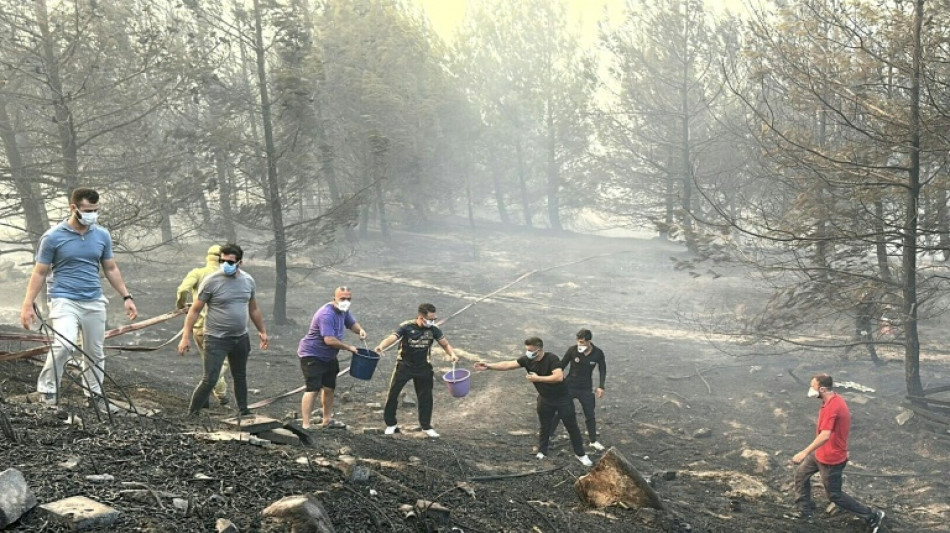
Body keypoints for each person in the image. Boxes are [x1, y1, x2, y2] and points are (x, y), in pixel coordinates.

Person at [20, 187, 138, 411]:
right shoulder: (53, 237)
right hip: (64, 299)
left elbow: (111, 268)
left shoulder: (101, 235)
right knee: (64, 344)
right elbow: (39, 272)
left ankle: (94, 397)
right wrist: (28, 305)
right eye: (87, 210)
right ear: (73, 208)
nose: (92, 214)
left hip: (93, 299)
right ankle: (47, 391)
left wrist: (126, 296)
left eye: (95, 210)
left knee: (95, 351)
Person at [177, 243, 268, 416]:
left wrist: (262, 331)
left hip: (240, 337)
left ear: (240, 262)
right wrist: (185, 336)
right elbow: (195, 309)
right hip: (215, 338)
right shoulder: (211, 281)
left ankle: (244, 411)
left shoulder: (248, 281)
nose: (226, 264)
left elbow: (254, 308)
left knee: (240, 376)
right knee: (210, 378)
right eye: (222, 260)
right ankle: (192, 413)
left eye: (230, 262)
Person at [474, 337, 593, 467]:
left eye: (530, 350)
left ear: (539, 349)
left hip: (562, 399)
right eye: (527, 350)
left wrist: (538, 378)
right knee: (544, 425)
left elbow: (558, 377)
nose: (528, 353)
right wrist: (489, 366)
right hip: (544, 398)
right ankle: (542, 451)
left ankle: (580, 454)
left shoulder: (551, 358)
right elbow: (508, 364)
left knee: (572, 427)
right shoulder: (527, 360)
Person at [791, 374, 885, 531]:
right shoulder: (831, 399)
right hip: (821, 453)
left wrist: (804, 452)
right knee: (801, 475)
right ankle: (804, 511)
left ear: (822, 389)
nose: (810, 389)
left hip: (831, 459)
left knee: (835, 495)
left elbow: (825, 435)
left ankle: (872, 515)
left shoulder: (832, 407)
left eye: (812, 386)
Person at [375, 303, 459, 438]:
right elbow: (393, 337)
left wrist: (452, 354)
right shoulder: (406, 326)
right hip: (404, 366)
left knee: (426, 397)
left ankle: (426, 426)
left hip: (423, 367)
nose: (432, 322)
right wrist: (381, 346)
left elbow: (445, 344)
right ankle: (391, 424)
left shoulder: (434, 329)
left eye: (434, 319)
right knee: (393, 394)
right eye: (430, 319)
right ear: (421, 317)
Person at [297, 286, 367, 430]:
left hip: (329, 356)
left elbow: (351, 323)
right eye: (342, 299)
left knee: (329, 388)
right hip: (312, 354)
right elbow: (329, 340)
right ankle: (305, 424)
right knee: (313, 388)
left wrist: (360, 330)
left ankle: (327, 420)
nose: (346, 302)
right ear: (334, 299)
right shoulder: (326, 314)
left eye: (348, 299)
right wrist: (349, 347)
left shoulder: (344, 310)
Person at [176, 244, 230, 406]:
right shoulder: (227, 276)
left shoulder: (197, 273)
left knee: (210, 362)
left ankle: (211, 394)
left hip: (199, 327)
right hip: (221, 327)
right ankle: (212, 392)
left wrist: (181, 305)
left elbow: (182, 290)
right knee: (223, 363)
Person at [553, 329, 607, 451]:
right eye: (578, 342)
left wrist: (601, 386)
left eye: (582, 342)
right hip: (569, 386)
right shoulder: (572, 350)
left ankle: (593, 440)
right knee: (559, 411)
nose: (580, 345)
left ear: (589, 341)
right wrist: (552, 376)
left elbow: (602, 369)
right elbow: (562, 365)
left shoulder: (598, 353)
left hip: (585, 388)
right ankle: (549, 435)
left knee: (590, 414)